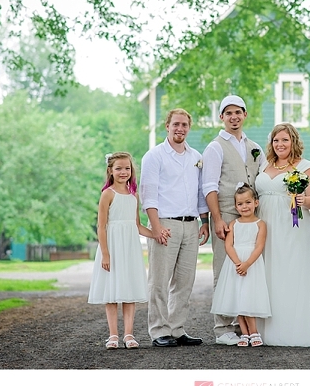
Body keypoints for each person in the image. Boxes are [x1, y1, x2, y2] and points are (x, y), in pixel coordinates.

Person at [255, 123, 310, 346]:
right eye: (276, 140)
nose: (280, 144)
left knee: (291, 273)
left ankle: (295, 330)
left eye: (285, 140)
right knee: (268, 273)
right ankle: (263, 332)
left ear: (293, 141)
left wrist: (303, 200)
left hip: (292, 228)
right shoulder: (264, 166)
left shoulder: (306, 167)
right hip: (265, 227)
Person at [140, 108, 210, 347]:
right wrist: (156, 227)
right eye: (176, 124)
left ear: (189, 128)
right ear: (167, 126)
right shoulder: (154, 156)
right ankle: (159, 330)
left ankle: (177, 328)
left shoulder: (195, 157)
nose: (180, 129)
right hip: (165, 224)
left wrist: (205, 222)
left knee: (184, 281)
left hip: (190, 225)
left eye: (184, 125)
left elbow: (201, 194)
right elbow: (148, 195)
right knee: (159, 280)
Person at [202, 95, 266, 345]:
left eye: (238, 112)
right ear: (221, 117)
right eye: (228, 113)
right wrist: (216, 219)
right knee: (224, 269)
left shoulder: (255, 147)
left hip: (251, 217)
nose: (234, 117)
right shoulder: (215, 147)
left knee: (248, 270)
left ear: (245, 114)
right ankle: (222, 328)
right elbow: (209, 186)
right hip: (227, 215)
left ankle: (245, 327)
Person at [88, 152, 157, 349]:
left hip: (129, 248)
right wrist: (106, 253)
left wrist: (155, 234)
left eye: (127, 168)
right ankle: (113, 335)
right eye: (118, 168)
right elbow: (101, 227)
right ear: (110, 170)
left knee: (128, 290)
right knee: (111, 292)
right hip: (112, 247)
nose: (123, 172)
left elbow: (136, 225)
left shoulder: (133, 195)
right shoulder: (107, 194)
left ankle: (128, 334)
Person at [210, 183, 271, 347]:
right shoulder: (234, 224)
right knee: (238, 298)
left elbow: (259, 246)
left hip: (251, 264)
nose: (244, 206)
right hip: (235, 265)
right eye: (240, 204)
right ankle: (245, 334)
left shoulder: (260, 224)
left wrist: (247, 264)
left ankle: (254, 332)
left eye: (248, 202)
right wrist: (238, 263)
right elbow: (228, 245)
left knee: (248, 297)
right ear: (236, 206)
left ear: (256, 203)